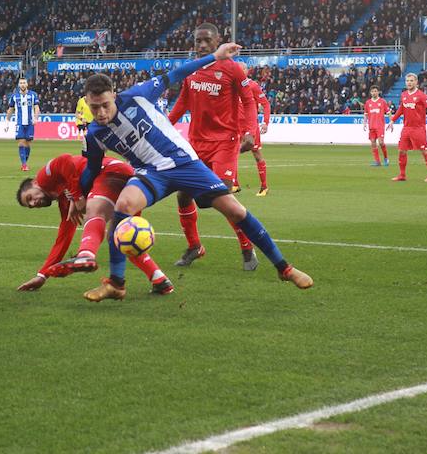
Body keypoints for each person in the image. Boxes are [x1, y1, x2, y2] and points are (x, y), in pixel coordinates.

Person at [79, 41, 313, 302]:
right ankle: (117, 284)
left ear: (114, 94)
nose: (100, 113)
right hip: (151, 172)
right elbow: (91, 168)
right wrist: (79, 195)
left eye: (104, 105)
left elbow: (177, 73)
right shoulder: (94, 134)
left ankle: (284, 268)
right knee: (123, 206)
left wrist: (214, 56)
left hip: (185, 164)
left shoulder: (138, 95)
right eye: (94, 107)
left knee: (235, 211)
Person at [167, 24, 260, 271]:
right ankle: (194, 246)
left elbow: (248, 102)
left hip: (225, 142)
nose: (202, 45)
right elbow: (181, 104)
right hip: (196, 142)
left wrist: (250, 132)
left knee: (222, 197)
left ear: (218, 40)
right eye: (198, 41)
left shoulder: (232, 69)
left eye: (207, 40)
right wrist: (162, 127)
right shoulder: (191, 71)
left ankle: (246, 246)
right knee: (183, 194)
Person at [15, 154, 173, 294]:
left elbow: (65, 160)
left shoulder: (44, 178)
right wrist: (42, 275)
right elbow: (64, 236)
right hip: (127, 179)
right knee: (123, 237)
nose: (34, 203)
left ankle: (85, 255)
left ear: (35, 184)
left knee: (95, 213)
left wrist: (76, 196)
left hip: (111, 171)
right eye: (30, 206)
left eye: (30, 197)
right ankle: (159, 280)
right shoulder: (64, 199)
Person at [387, 73, 427, 182]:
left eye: (411, 80)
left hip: (418, 129)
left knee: (424, 150)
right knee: (402, 151)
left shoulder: (421, 95)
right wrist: (392, 120)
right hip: (406, 128)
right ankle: (402, 175)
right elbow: (401, 109)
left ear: (416, 82)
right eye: (407, 80)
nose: (409, 82)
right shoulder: (404, 94)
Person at [236, 61, 271, 196]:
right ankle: (235, 184)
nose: (238, 72)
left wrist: (265, 122)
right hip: (235, 126)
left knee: (256, 155)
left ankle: (264, 187)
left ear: (246, 71)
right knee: (231, 154)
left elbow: (265, 104)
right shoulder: (232, 86)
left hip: (251, 126)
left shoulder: (253, 86)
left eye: (240, 70)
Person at [5, 77, 40, 171]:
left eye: (24, 83)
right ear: (18, 85)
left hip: (30, 123)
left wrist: (36, 118)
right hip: (19, 123)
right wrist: (7, 123)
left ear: (27, 84)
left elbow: (37, 108)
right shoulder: (14, 96)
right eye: (21, 83)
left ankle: (24, 163)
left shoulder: (33, 95)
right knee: (21, 142)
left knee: (28, 144)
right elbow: (10, 110)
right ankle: (24, 165)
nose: (23, 84)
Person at [363, 85, 391, 167]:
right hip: (371, 126)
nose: (374, 93)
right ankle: (377, 161)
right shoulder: (368, 103)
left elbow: (388, 112)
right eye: (372, 91)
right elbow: (366, 114)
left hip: (380, 126)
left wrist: (391, 122)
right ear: (370, 93)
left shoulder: (382, 101)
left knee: (381, 142)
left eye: (375, 91)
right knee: (373, 143)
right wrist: (364, 123)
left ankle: (386, 158)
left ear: (378, 92)